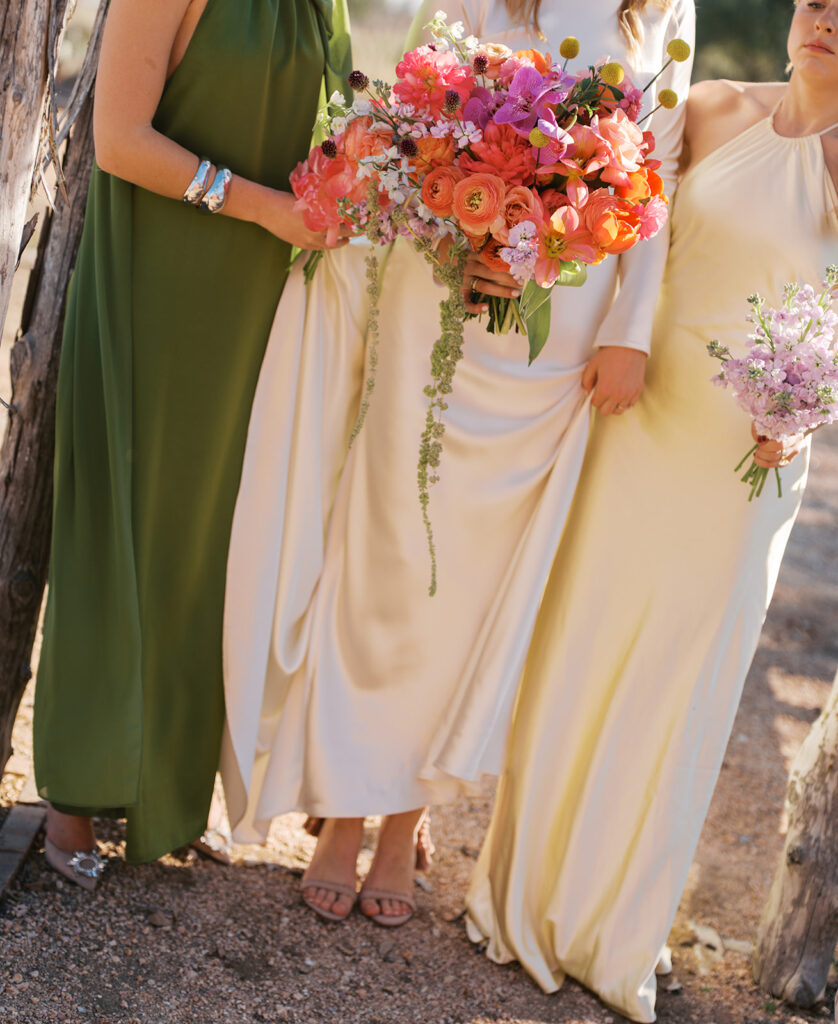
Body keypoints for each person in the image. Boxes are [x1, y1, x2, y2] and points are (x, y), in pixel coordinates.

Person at [221, 0, 695, 923]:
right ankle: (344, 811)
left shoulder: (663, 8)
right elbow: (417, 108)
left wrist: (631, 330)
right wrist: (458, 232)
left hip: (556, 331)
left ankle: (403, 820)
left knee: (473, 577)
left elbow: (657, 169)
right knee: (389, 544)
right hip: (434, 281)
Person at [465, 0, 838, 1018]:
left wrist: (807, 415)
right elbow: (637, 236)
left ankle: (611, 927)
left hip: (740, 456)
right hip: (638, 412)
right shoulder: (714, 107)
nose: (823, 21)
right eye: (814, 2)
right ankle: (523, 891)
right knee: (578, 645)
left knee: (675, 679)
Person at [33, 0, 351, 885]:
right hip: (163, 273)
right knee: (132, 516)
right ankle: (74, 794)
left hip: (262, 291)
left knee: (215, 535)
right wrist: (259, 210)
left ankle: (165, 795)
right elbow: (120, 139)